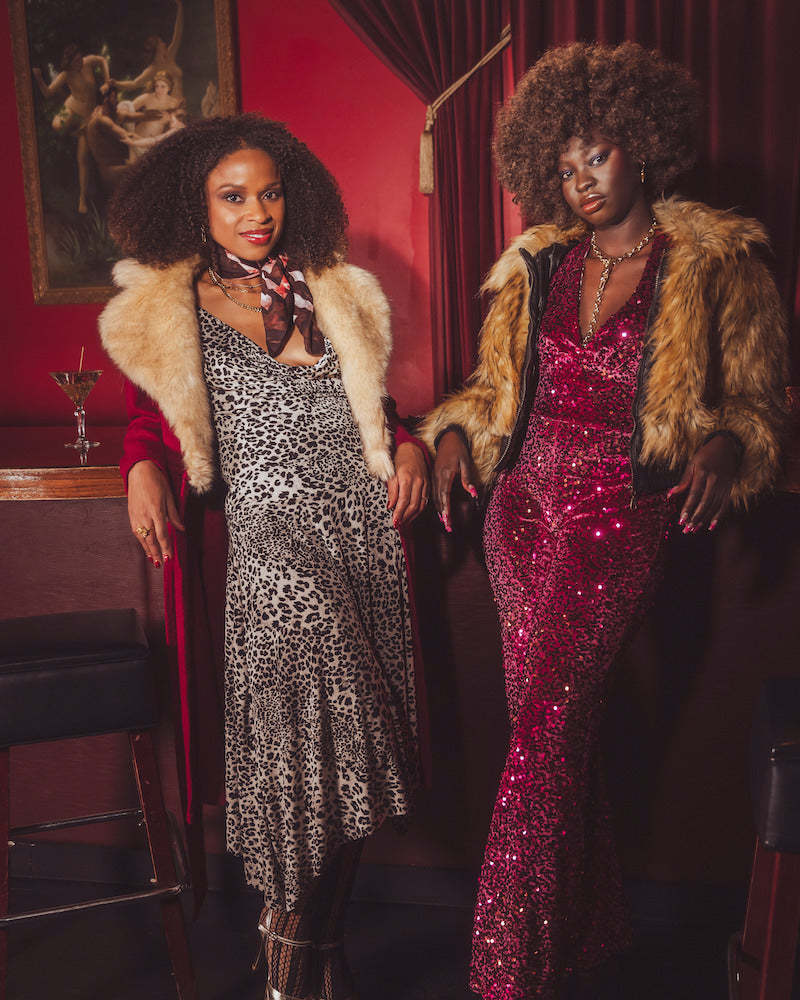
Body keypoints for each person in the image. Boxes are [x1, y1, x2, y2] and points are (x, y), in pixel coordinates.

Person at [419, 41, 788, 1000]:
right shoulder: (537, 266)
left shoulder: (715, 262)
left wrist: (724, 448)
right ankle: (587, 938)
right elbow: (493, 392)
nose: (581, 179)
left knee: (545, 728)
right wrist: (455, 434)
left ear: (644, 147)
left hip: (621, 512)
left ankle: (504, 973)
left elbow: (757, 404)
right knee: (554, 734)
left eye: (600, 155)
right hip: (519, 508)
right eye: (566, 163)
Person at [99, 112, 429, 1000]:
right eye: (233, 196)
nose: (256, 212)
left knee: (350, 758)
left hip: (360, 535)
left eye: (270, 192)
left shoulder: (338, 291)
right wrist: (140, 468)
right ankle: (292, 964)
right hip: (268, 549)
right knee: (303, 767)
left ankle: (308, 959)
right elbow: (145, 419)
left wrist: (410, 448)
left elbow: (375, 411)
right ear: (195, 205)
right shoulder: (165, 310)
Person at [32, 43, 110, 213]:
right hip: (73, 107)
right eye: (76, 61)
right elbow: (47, 93)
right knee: (56, 125)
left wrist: (106, 82)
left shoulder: (88, 62)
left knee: (83, 157)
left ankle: (82, 200)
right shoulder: (66, 75)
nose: (80, 62)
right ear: (69, 62)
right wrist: (38, 79)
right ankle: (77, 133)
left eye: (80, 58)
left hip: (88, 114)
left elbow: (103, 60)